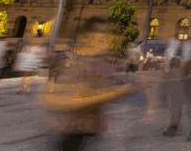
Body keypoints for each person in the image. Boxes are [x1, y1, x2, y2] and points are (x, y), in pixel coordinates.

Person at [40, 16, 132, 151]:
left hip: (91, 132)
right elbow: (51, 99)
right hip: (70, 134)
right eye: (102, 32)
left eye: (108, 32)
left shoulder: (101, 61)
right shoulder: (72, 61)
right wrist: (112, 93)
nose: (108, 36)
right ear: (87, 36)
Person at [162, 39, 191, 142]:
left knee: (190, 106)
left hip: (189, 81)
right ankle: (173, 127)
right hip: (178, 80)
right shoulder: (174, 44)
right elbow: (168, 63)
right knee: (176, 105)